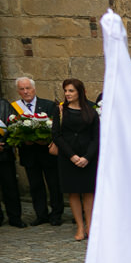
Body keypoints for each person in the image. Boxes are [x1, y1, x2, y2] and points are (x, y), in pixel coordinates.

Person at [53, 78, 99, 241]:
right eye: (66, 90)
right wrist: (72, 156)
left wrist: (87, 157)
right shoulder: (60, 110)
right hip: (68, 156)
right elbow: (57, 135)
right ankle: (80, 226)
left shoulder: (91, 111)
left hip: (88, 156)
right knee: (73, 192)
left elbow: (96, 137)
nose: (67, 94)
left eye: (71, 90)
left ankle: (90, 225)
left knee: (88, 192)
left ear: (80, 92)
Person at [13, 77, 61, 226]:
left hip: (47, 152)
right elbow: (12, 130)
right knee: (35, 185)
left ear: (34, 89)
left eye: (28, 88)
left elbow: (56, 127)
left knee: (54, 184)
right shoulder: (14, 108)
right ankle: (41, 215)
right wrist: (23, 139)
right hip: (29, 154)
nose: (25, 91)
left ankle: (56, 214)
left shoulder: (47, 105)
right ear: (18, 91)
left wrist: (45, 139)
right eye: (22, 89)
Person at [0, 73, 25, 229]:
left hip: (4, 152)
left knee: (10, 186)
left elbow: (12, 126)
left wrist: (2, 144)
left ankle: (15, 217)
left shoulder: (3, 104)